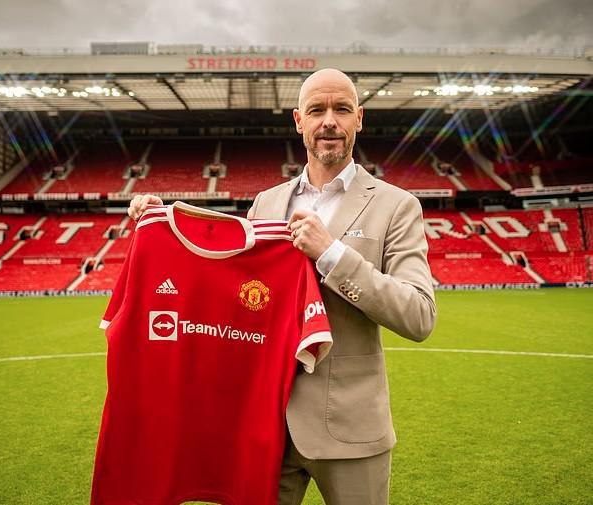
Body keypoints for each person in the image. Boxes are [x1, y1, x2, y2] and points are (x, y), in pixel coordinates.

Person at [128, 68, 436, 505]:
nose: (329, 121)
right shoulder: (266, 203)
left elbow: (419, 315)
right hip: (264, 427)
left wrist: (331, 254)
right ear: (298, 120)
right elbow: (232, 290)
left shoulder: (396, 206)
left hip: (350, 429)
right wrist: (164, 226)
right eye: (317, 110)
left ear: (359, 118)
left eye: (341, 109)